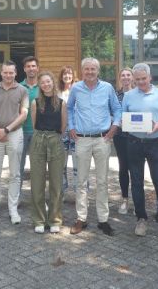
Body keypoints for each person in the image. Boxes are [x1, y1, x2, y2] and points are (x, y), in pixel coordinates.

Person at [122, 63, 158, 240]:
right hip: (134, 143)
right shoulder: (128, 96)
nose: (140, 82)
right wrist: (125, 123)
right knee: (136, 182)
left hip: (155, 143)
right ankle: (141, 219)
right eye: (137, 79)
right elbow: (123, 118)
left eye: (143, 79)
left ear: (150, 77)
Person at [67, 58, 121, 236]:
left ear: (98, 71)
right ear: (82, 71)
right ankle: (81, 218)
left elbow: (117, 109)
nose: (90, 72)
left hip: (102, 139)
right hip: (82, 139)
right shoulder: (76, 88)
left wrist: (114, 128)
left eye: (93, 69)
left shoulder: (107, 88)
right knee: (81, 181)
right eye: (87, 69)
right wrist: (71, 127)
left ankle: (103, 220)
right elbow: (69, 108)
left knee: (102, 181)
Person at [0, 60, 29, 225]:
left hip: (14, 134)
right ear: (1, 73)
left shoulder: (22, 90)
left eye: (11, 72)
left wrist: (7, 130)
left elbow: (23, 114)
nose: (8, 75)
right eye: (5, 72)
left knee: (15, 174)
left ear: (15, 73)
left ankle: (12, 209)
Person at [29, 71, 67, 234]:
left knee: (56, 183)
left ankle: (54, 219)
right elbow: (34, 124)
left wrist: (54, 137)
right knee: (37, 182)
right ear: (40, 85)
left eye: (48, 81)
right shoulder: (35, 102)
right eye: (42, 82)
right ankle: (39, 219)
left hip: (55, 141)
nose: (46, 84)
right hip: (38, 140)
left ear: (53, 82)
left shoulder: (61, 103)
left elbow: (63, 126)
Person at [113, 68, 134, 215]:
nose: (125, 77)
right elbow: (111, 112)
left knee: (137, 168)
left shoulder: (138, 94)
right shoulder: (115, 95)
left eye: (128, 75)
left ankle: (138, 200)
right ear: (120, 78)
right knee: (123, 167)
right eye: (123, 75)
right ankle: (125, 199)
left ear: (132, 77)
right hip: (120, 136)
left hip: (136, 136)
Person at [58, 65, 81, 193]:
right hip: (61, 131)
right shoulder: (57, 92)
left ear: (73, 76)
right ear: (61, 77)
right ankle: (61, 191)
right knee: (61, 163)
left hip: (76, 131)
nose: (67, 76)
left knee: (78, 163)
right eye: (65, 74)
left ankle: (80, 192)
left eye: (70, 74)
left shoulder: (79, 90)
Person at [19, 56, 39, 184]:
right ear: (24, 69)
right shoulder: (18, 87)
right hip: (20, 132)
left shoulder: (44, 86)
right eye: (28, 66)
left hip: (38, 132)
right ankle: (17, 194)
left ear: (38, 68)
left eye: (33, 66)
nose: (31, 69)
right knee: (18, 166)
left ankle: (37, 195)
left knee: (37, 167)